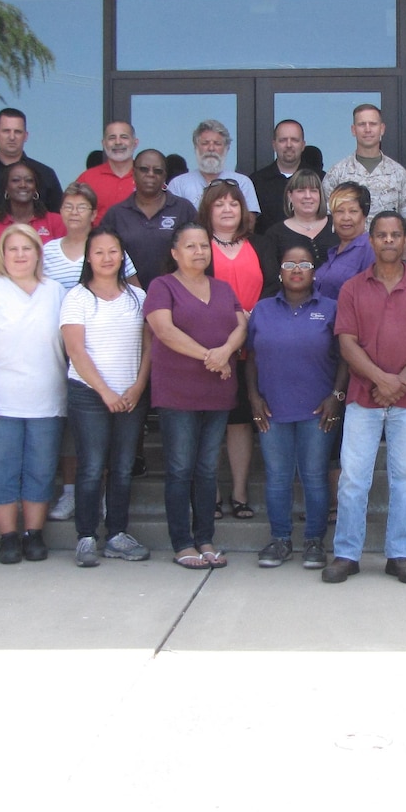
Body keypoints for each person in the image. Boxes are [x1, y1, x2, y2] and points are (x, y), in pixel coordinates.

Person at [324, 213, 406, 585]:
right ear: (371, 240)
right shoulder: (352, 288)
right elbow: (346, 343)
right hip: (362, 396)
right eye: (381, 235)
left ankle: (400, 554)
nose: (389, 241)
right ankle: (346, 554)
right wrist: (380, 379)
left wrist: (399, 382)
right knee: (354, 479)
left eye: (396, 235)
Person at [0, 224, 68, 565]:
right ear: (2, 255)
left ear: (38, 253)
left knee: (41, 468)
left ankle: (33, 534)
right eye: (13, 249)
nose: (20, 255)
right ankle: (8, 537)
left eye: (27, 248)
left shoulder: (57, 292)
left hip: (47, 397)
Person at [145, 223, 247, 569]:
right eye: (190, 246)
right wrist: (212, 356)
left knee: (206, 469)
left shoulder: (221, 287)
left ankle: (205, 538)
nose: (199, 251)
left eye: (203, 246)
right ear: (175, 253)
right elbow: (164, 331)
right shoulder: (162, 286)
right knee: (179, 468)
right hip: (177, 393)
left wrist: (226, 351)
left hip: (217, 391)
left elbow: (241, 325)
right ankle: (182, 542)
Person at [247, 243, 347, 570]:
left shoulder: (331, 308)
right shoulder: (261, 309)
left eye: (303, 264)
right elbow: (250, 359)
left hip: (318, 409)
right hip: (272, 409)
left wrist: (336, 395)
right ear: (279, 272)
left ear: (314, 272)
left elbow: (346, 356)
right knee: (277, 476)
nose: (296, 269)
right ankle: (281, 539)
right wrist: (254, 398)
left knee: (315, 476)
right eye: (289, 264)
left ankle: (315, 541)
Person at [61, 226, 152, 567]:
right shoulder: (77, 297)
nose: (106, 258)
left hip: (131, 395)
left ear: (123, 256)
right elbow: (75, 350)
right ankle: (86, 536)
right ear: (88, 258)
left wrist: (138, 387)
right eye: (99, 252)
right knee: (91, 466)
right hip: (89, 395)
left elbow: (150, 347)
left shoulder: (139, 298)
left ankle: (117, 534)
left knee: (123, 467)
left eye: (113, 251)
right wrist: (106, 392)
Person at [200, 180, 278, 520]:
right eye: (219, 204)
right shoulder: (198, 246)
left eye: (234, 203)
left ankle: (240, 493)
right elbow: (191, 290)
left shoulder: (261, 244)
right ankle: (211, 494)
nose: (228, 209)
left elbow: (275, 286)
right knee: (211, 420)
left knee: (241, 421)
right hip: (211, 345)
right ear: (208, 211)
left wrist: (253, 316)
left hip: (254, 345)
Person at [323, 104, 406, 256]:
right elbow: (326, 220)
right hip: (349, 260)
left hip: (389, 262)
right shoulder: (337, 173)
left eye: (373, 124)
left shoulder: (398, 173)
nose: (367, 129)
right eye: (362, 124)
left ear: (382, 129)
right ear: (353, 130)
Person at [0, 107, 63, 248]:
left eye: (17, 132)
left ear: (26, 136)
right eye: (6, 131)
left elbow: (59, 221)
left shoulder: (45, 175)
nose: (12, 137)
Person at [101, 149, 198, 289]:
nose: (150, 174)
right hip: (126, 297)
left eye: (157, 171)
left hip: (176, 297)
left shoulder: (183, 209)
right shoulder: (116, 214)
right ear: (133, 173)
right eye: (144, 169)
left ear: (165, 175)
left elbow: (198, 253)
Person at [166, 119, 261, 221]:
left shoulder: (242, 182)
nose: (211, 148)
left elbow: (249, 223)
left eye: (217, 143)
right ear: (196, 147)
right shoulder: (178, 184)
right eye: (205, 143)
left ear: (227, 148)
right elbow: (171, 222)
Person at [0, 161, 66, 253]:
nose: (23, 185)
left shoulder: (57, 222)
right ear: (6, 188)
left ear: (36, 188)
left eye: (29, 180)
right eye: (16, 180)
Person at [264, 168, 339, 270]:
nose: (308, 196)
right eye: (301, 191)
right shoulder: (275, 234)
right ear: (290, 196)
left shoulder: (337, 225)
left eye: (313, 191)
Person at [314, 182, 376, 301]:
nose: (346, 218)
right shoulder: (333, 251)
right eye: (339, 211)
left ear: (364, 215)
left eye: (353, 211)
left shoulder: (370, 248)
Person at [252, 118, 315, 234]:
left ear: (303, 145)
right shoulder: (256, 182)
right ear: (274, 145)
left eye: (295, 140)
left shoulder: (319, 180)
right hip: (268, 250)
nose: (289, 145)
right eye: (283, 140)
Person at [75, 119, 138, 221]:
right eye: (112, 138)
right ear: (104, 144)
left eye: (124, 137)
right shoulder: (87, 178)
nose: (118, 142)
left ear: (135, 143)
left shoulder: (147, 177)